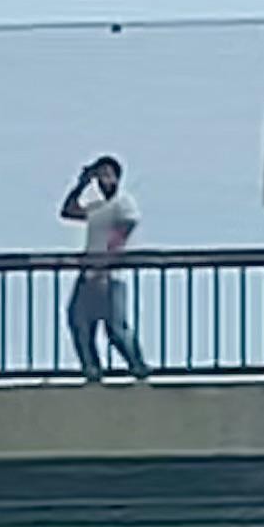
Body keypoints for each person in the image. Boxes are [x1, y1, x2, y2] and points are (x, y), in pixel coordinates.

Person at [60, 155, 150, 381]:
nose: (103, 180)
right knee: (79, 322)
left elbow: (121, 235)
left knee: (115, 328)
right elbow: (68, 211)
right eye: (100, 175)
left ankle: (138, 367)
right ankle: (92, 371)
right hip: (88, 274)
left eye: (108, 175)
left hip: (111, 275)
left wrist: (105, 266)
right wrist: (81, 183)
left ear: (118, 178)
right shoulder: (97, 207)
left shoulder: (123, 203)